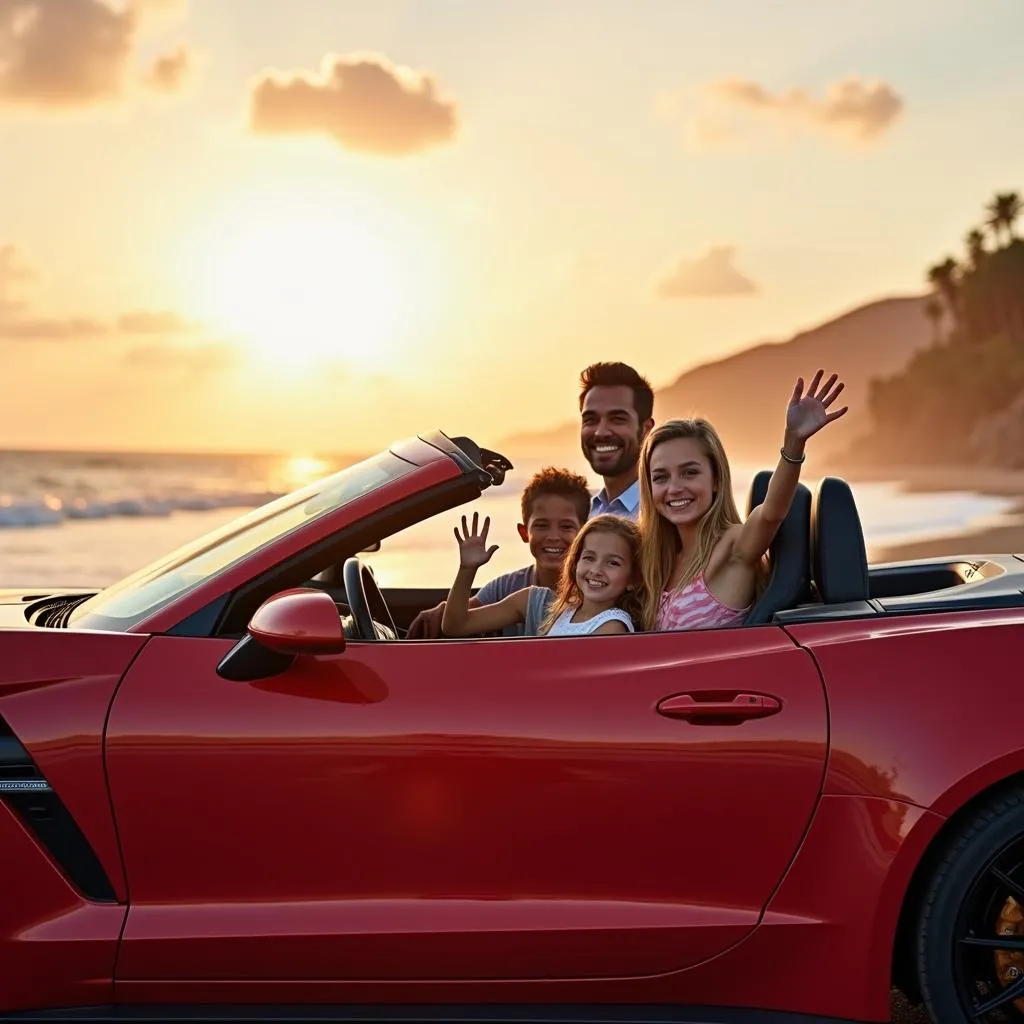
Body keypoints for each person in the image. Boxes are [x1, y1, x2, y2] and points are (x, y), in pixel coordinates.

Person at [638, 369, 847, 632]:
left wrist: (794, 442)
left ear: (715, 479)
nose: (674, 488)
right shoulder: (657, 558)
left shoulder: (733, 546)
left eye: (690, 473)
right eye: (660, 477)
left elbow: (771, 513)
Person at [405, 467, 591, 638]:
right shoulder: (507, 587)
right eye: (541, 526)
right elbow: (456, 622)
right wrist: (467, 569)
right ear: (524, 532)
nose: (553, 536)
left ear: (584, 533)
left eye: (566, 527)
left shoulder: (594, 588)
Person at [441, 513, 643, 638]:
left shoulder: (612, 627)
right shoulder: (553, 609)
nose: (596, 570)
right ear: (574, 563)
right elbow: (456, 625)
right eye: (589, 558)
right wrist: (467, 569)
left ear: (632, 580)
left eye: (613, 563)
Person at [579, 361, 655, 521]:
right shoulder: (585, 516)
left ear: (646, 429)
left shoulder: (664, 514)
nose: (601, 432)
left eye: (617, 419)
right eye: (590, 419)